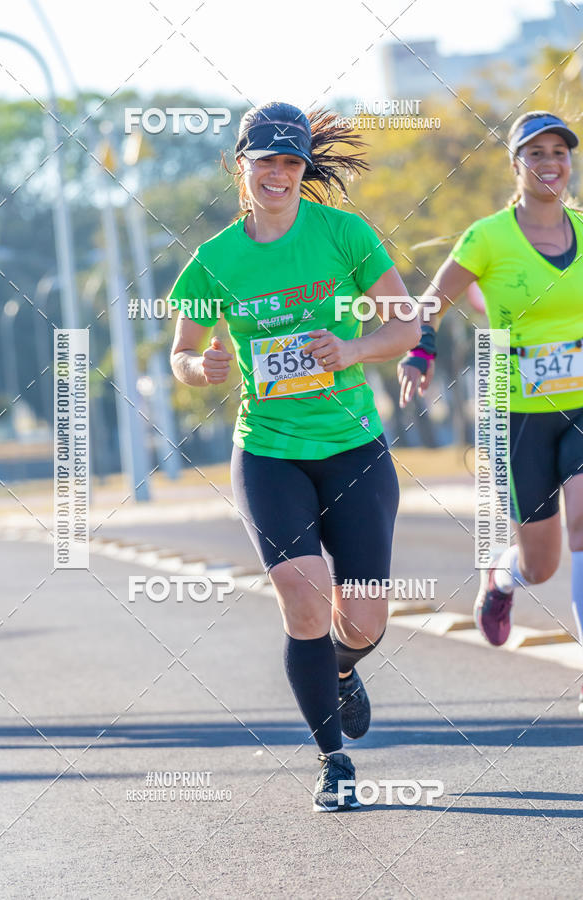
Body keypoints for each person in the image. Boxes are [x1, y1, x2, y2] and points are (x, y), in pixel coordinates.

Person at [169, 101, 420, 810]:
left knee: (364, 618)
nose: (277, 174)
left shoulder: (343, 233)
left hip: (353, 447)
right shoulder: (215, 261)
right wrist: (200, 370)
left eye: (290, 162)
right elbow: (182, 352)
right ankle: (332, 760)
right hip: (270, 452)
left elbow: (405, 323)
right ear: (239, 166)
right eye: (264, 162)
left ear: (303, 169)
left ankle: (341, 671)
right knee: (304, 598)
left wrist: (353, 349)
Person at [398, 111, 583, 715]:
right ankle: (501, 579)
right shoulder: (488, 237)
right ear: (516, 165)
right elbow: (432, 303)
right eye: (536, 153)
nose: (550, 162)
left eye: (559, 151)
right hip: (519, 413)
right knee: (542, 562)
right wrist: (420, 353)